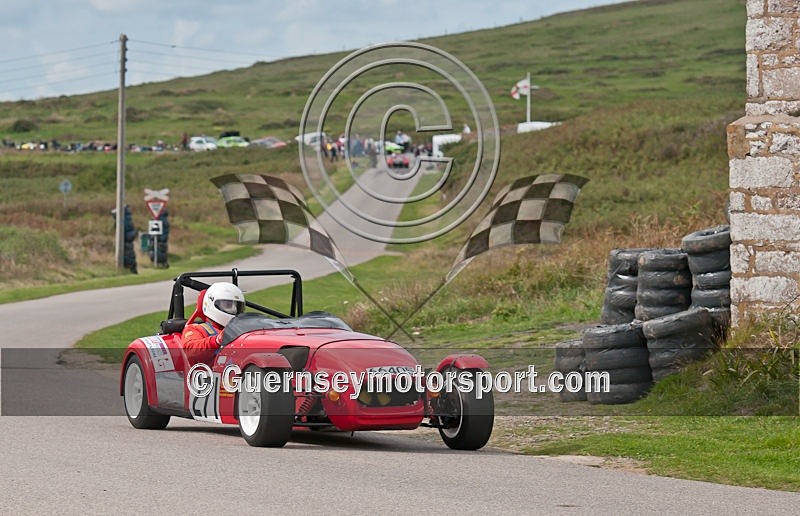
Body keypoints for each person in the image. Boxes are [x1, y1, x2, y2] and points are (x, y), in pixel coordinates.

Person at [181, 282, 245, 364]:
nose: (234, 310)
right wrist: (217, 340)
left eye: (237, 306)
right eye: (228, 305)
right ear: (211, 303)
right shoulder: (196, 329)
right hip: (210, 370)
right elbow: (190, 352)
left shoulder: (240, 329)